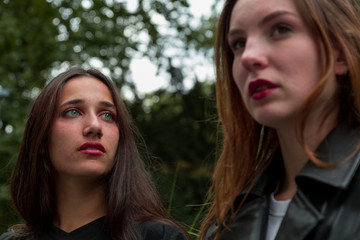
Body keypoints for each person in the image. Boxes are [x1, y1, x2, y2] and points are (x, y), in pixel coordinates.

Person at [200, 0, 360, 239]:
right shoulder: (226, 222)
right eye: (238, 43)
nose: (247, 57)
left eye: (281, 28)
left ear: (340, 52)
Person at [0, 67, 188, 240]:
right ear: (41, 137)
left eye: (107, 115)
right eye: (73, 112)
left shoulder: (159, 236)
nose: (95, 126)